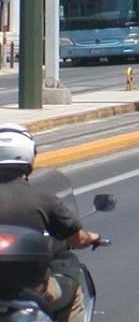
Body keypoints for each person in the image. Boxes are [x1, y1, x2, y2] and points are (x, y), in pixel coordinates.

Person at [0, 123, 100, 321]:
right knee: (74, 291)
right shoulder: (43, 198)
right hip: (33, 288)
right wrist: (92, 237)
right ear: (29, 154)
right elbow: (78, 239)